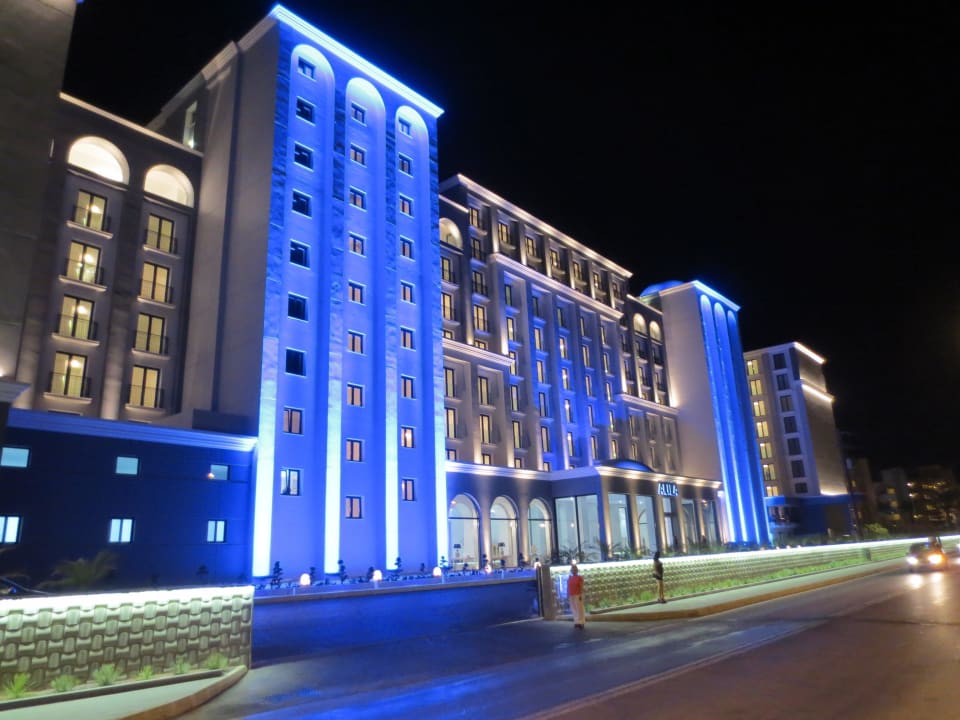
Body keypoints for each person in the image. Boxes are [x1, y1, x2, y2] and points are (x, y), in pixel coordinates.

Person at [567, 564, 586, 628]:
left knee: (579, 608)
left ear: (577, 570)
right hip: (571, 595)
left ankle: (581, 622)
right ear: (571, 570)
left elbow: (581, 587)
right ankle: (576, 621)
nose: (574, 570)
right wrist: (567, 594)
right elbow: (568, 587)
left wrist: (581, 594)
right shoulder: (570, 578)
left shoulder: (579, 577)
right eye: (572, 569)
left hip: (578, 594)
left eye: (575, 569)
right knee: (574, 608)